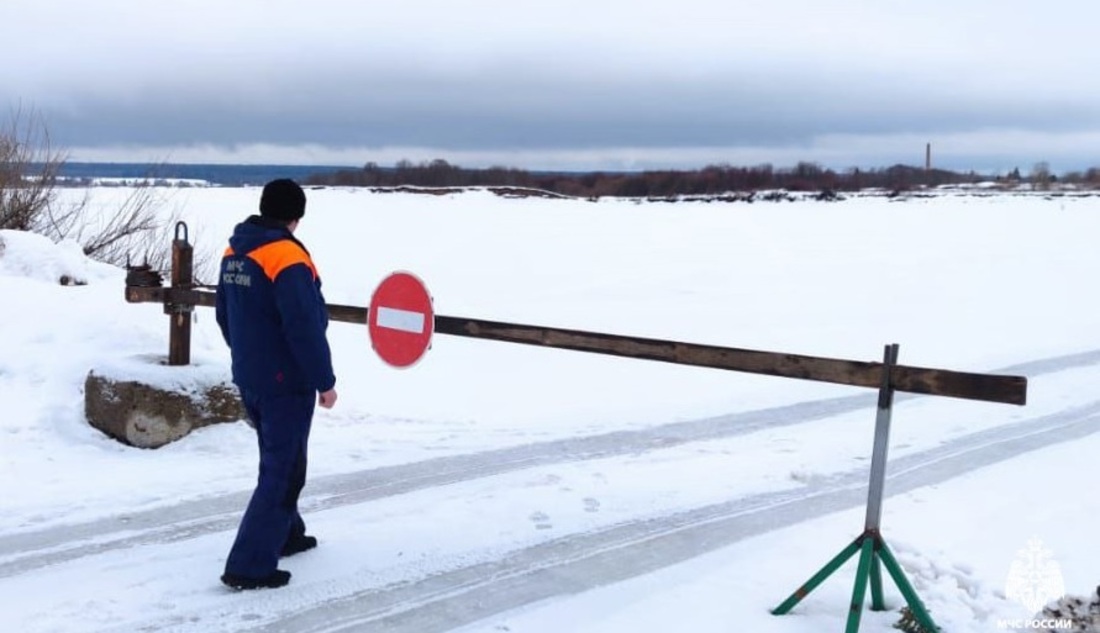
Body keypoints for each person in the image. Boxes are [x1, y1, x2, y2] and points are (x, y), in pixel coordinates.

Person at [215, 178, 337, 590]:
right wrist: (325, 381)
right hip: (286, 382)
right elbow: (303, 327)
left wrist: (247, 358)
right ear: (295, 218)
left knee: (282, 460)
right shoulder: (286, 257)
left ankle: (286, 533)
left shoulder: (235, 251)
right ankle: (248, 565)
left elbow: (223, 315)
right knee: (282, 471)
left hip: (252, 376)